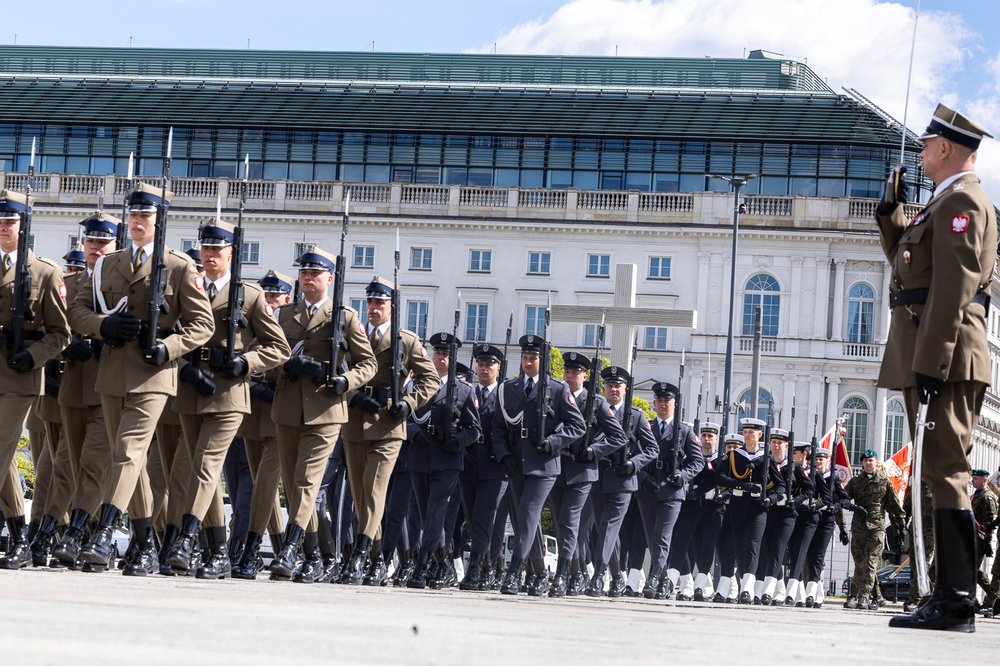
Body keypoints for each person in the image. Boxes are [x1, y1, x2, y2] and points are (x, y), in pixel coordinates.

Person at [877, 104, 996, 632]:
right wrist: (892, 215)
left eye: (926, 146)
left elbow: (953, 287)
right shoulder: (940, 203)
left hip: (942, 350)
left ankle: (956, 601)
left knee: (947, 469)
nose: (921, 154)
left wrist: (932, 360)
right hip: (927, 344)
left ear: (945, 149)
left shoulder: (964, 201)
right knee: (936, 469)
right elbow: (909, 267)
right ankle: (947, 595)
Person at [66, 182, 214, 572]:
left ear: (159, 219)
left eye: (144, 215)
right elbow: (77, 313)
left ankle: (104, 533)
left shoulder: (180, 266)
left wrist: (170, 348)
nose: (135, 220)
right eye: (132, 213)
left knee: (127, 452)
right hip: (112, 372)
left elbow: (203, 325)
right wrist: (105, 325)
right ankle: (146, 542)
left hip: (154, 375)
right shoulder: (106, 264)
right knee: (127, 460)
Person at [268, 247, 378, 583]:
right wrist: (285, 366)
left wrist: (344, 381)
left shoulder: (344, 317)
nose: (307, 277)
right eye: (303, 272)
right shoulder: (284, 316)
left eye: (315, 273)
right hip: (287, 408)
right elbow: (269, 358)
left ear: (329, 278)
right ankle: (318, 556)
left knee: (306, 483)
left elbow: (368, 364)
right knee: (294, 487)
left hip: (326, 410)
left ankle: (289, 549)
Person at [0, 189, 71, 570]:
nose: (3, 227)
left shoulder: (43, 272)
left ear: (24, 225)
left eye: (10, 221)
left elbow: (61, 334)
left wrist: (31, 355)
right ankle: (20, 538)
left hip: (19, 378)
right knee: (6, 461)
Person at [492, 335, 586, 596]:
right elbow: (498, 428)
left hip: (544, 464)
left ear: (542, 360)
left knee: (527, 515)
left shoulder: (556, 389)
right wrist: (503, 455)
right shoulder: (508, 388)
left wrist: (554, 442)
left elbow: (578, 426)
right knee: (524, 520)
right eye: (525, 358)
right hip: (516, 463)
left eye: (533, 358)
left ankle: (513, 572)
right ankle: (540, 573)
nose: (528, 362)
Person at [546, 351, 626, 597]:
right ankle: (575, 573)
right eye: (566, 372)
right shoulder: (555, 397)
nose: (569, 377)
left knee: (570, 523)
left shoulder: (597, 402)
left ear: (584, 376)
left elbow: (618, 437)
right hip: (557, 469)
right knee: (562, 526)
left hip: (582, 472)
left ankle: (563, 575)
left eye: (574, 373)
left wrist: (593, 451)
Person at [232, 269, 295, 579]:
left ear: (287, 298)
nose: (269, 299)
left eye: (275, 295)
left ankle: (252, 548)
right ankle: (284, 548)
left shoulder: (288, 324)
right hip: (252, 411)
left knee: (266, 484)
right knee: (260, 487)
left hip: (277, 412)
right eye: (265, 294)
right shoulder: (255, 318)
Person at [404, 332, 481, 589]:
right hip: (420, 455)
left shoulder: (464, 390)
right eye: (437, 353)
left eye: (446, 354)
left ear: (454, 358)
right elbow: (404, 417)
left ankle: (423, 563)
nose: (441, 358)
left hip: (448, 459)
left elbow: (474, 428)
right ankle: (445, 565)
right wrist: (414, 434)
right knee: (427, 516)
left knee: (436, 510)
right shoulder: (416, 385)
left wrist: (458, 441)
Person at [583, 366, 657, 598]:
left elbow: (652, 449)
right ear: (603, 387)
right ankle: (617, 579)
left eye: (618, 385)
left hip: (623, 481)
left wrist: (634, 464)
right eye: (610, 385)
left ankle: (599, 577)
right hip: (597, 478)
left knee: (608, 529)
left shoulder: (635, 415)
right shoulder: (593, 411)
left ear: (625, 389)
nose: (613, 389)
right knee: (605, 531)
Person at [641, 381, 703, 599]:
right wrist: (642, 477)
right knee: (651, 537)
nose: (663, 404)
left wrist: (683, 476)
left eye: (667, 401)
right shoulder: (646, 426)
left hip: (672, 491)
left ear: (674, 404)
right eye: (660, 400)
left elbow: (698, 461)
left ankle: (653, 577)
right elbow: (634, 456)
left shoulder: (684, 430)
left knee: (662, 536)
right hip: (647, 489)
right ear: (654, 402)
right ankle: (663, 581)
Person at [457, 343, 511, 591]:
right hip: (469, 463)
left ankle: (475, 570)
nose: (483, 368)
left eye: (489, 364)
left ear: (498, 368)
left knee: (484, 518)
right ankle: (488, 566)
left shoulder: (505, 394)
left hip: (494, 466)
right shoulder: (467, 392)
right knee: (472, 518)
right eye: (480, 364)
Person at [714, 418, 784, 604]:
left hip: (758, 508)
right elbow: (720, 478)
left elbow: (780, 486)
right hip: (737, 505)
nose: (747, 435)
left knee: (753, 544)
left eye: (751, 432)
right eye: (745, 432)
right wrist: (743, 484)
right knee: (739, 546)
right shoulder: (733, 456)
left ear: (759, 435)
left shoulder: (767, 458)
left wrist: (770, 499)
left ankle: (747, 589)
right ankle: (741, 586)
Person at [755, 429, 814, 605]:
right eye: (773, 442)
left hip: (787, 515)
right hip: (768, 511)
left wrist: (795, 501)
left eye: (779, 443)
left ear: (786, 445)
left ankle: (768, 590)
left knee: (777, 550)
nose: (775, 445)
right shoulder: (764, 463)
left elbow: (809, 489)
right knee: (768, 550)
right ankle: (780, 590)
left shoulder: (793, 466)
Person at [842, 450, 904, 610]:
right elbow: (842, 499)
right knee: (860, 564)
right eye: (865, 460)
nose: (868, 463)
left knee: (870, 563)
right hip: (858, 528)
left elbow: (895, 508)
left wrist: (899, 529)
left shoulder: (885, 482)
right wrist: (852, 507)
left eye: (871, 460)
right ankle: (878, 596)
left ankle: (861, 597)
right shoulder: (855, 481)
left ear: (877, 462)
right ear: (862, 463)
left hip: (876, 528)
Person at [970, 469, 997, 606]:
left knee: (970, 570)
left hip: (979, 538)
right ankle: (995, 596)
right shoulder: (975, 496)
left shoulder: (987, 497)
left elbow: (990, 522)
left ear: (984, 480)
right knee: (973, 570)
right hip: (970, 538)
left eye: (975, 478)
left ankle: (972, 601)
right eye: (972, 478)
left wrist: (987, 541)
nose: (972, 480)